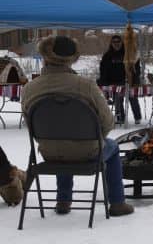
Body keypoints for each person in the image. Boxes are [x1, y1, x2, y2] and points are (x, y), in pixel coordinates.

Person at [20, 36, 134, 216]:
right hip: (87, 152)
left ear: (45, 56)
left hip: (50, 153)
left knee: (61, 139)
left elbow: (30, 125)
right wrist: (96, 137)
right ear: (72, 58)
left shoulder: (30, 88)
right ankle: (117, 203)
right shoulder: (86, 85)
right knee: (111, 146)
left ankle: (63, 200)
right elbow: (107, 122)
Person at [98, 33, 142, 124]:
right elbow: (102, 70)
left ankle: (137, 118)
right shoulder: (107, 56)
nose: (116, 44)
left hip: (129, 81)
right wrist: (103, 82)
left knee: (133, 99)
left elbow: (136, 67)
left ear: (122, 42)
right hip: (114, 83)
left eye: (118, 42)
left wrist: (136, 79)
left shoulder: (128, 54)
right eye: (114, 42)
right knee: (118, 100)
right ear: (111, 43)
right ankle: (120, 118)